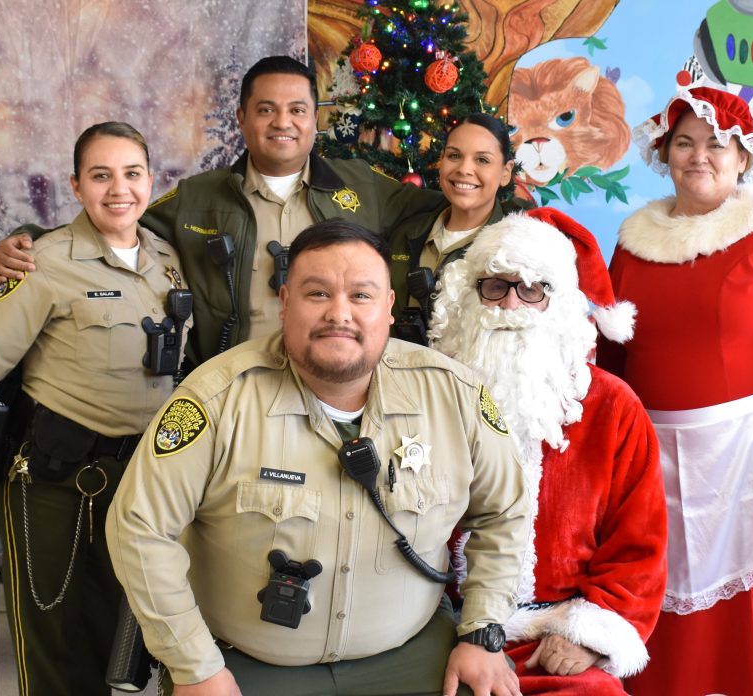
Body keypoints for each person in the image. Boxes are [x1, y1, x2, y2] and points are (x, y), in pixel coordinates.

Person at [105, 219, 530, 696]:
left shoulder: (456, 396)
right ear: (285, 303)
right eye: (318, 294)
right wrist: (195, 666)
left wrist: (482, 632)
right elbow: (139, 528)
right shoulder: (214, 400)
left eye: (361, 295)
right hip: (245, 664)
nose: (339, 313)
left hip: (409, 652)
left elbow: (505, 512)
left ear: (389, 308)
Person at [596, 86, 753, 695]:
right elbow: (612, 357)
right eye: (684, 143)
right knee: (665, 606)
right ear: (665, 154)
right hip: (658, 462)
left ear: (743, 157)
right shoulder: (632, 247)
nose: (699, 156)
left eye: (716, 145)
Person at [0, 122, 190, 696]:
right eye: (100, 175)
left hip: (134, 480)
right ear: (76, 185)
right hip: (51, 480)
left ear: (151, 180)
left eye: (132, 173)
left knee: (112, 640)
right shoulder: (42, 263)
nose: (118, 189)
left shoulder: (166, 259)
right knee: (53, 643)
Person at [0, 56, 442, 369]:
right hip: (234, 392)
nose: (282, 122)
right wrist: (32, 237)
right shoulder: (198, 197)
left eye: (297, 110)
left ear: (314, 120)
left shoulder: (363, 186)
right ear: (242, 118)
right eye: (266, 110)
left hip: (335, 385)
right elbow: (115, 217)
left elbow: (450, 208)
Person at [430, 207, 667, 695]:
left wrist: (588, 634)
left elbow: (638, 547)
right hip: (441, 626)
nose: (510, 305)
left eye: (531, 289)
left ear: (557, 304)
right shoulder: (431, 394)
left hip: (553, 635)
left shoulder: (613, 407)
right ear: (470, 295)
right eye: (495, 286)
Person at [388, 113, 525, 342]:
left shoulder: (516, 250)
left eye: (482, 160)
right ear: (441, 161)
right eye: (454, 155)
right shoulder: (405, 233)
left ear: (505, 172)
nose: (464, 169)